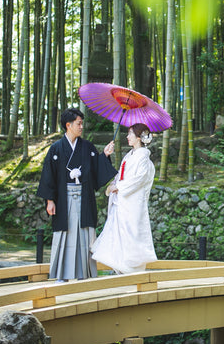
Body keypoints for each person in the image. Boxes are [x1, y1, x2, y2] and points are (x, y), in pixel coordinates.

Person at [36, 108, 116, 281]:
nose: (82, 127)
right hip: (64, 199)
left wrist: (105, 155)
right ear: (68, 125)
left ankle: (83, 274)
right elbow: (48, 176)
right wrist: (50, 200)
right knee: (64, 234)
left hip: (84, 197)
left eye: (82, 123)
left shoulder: (87, 147)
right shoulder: (56, 149)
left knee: (84, 234)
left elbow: (96, 170)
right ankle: (61, 275)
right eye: (79, 123)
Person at [91, 122, 158, 274]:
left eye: (130, 134)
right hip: (122, 202)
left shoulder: (143, 159)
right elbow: (121, 176)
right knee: (119, 235)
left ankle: (132, 270)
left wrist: (119, 187)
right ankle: (120, 268)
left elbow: (138, 179)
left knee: (132, 235)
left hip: (133, 204)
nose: (127, 136)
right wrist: (114, 185)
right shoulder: (129, 155)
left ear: (139, 137)